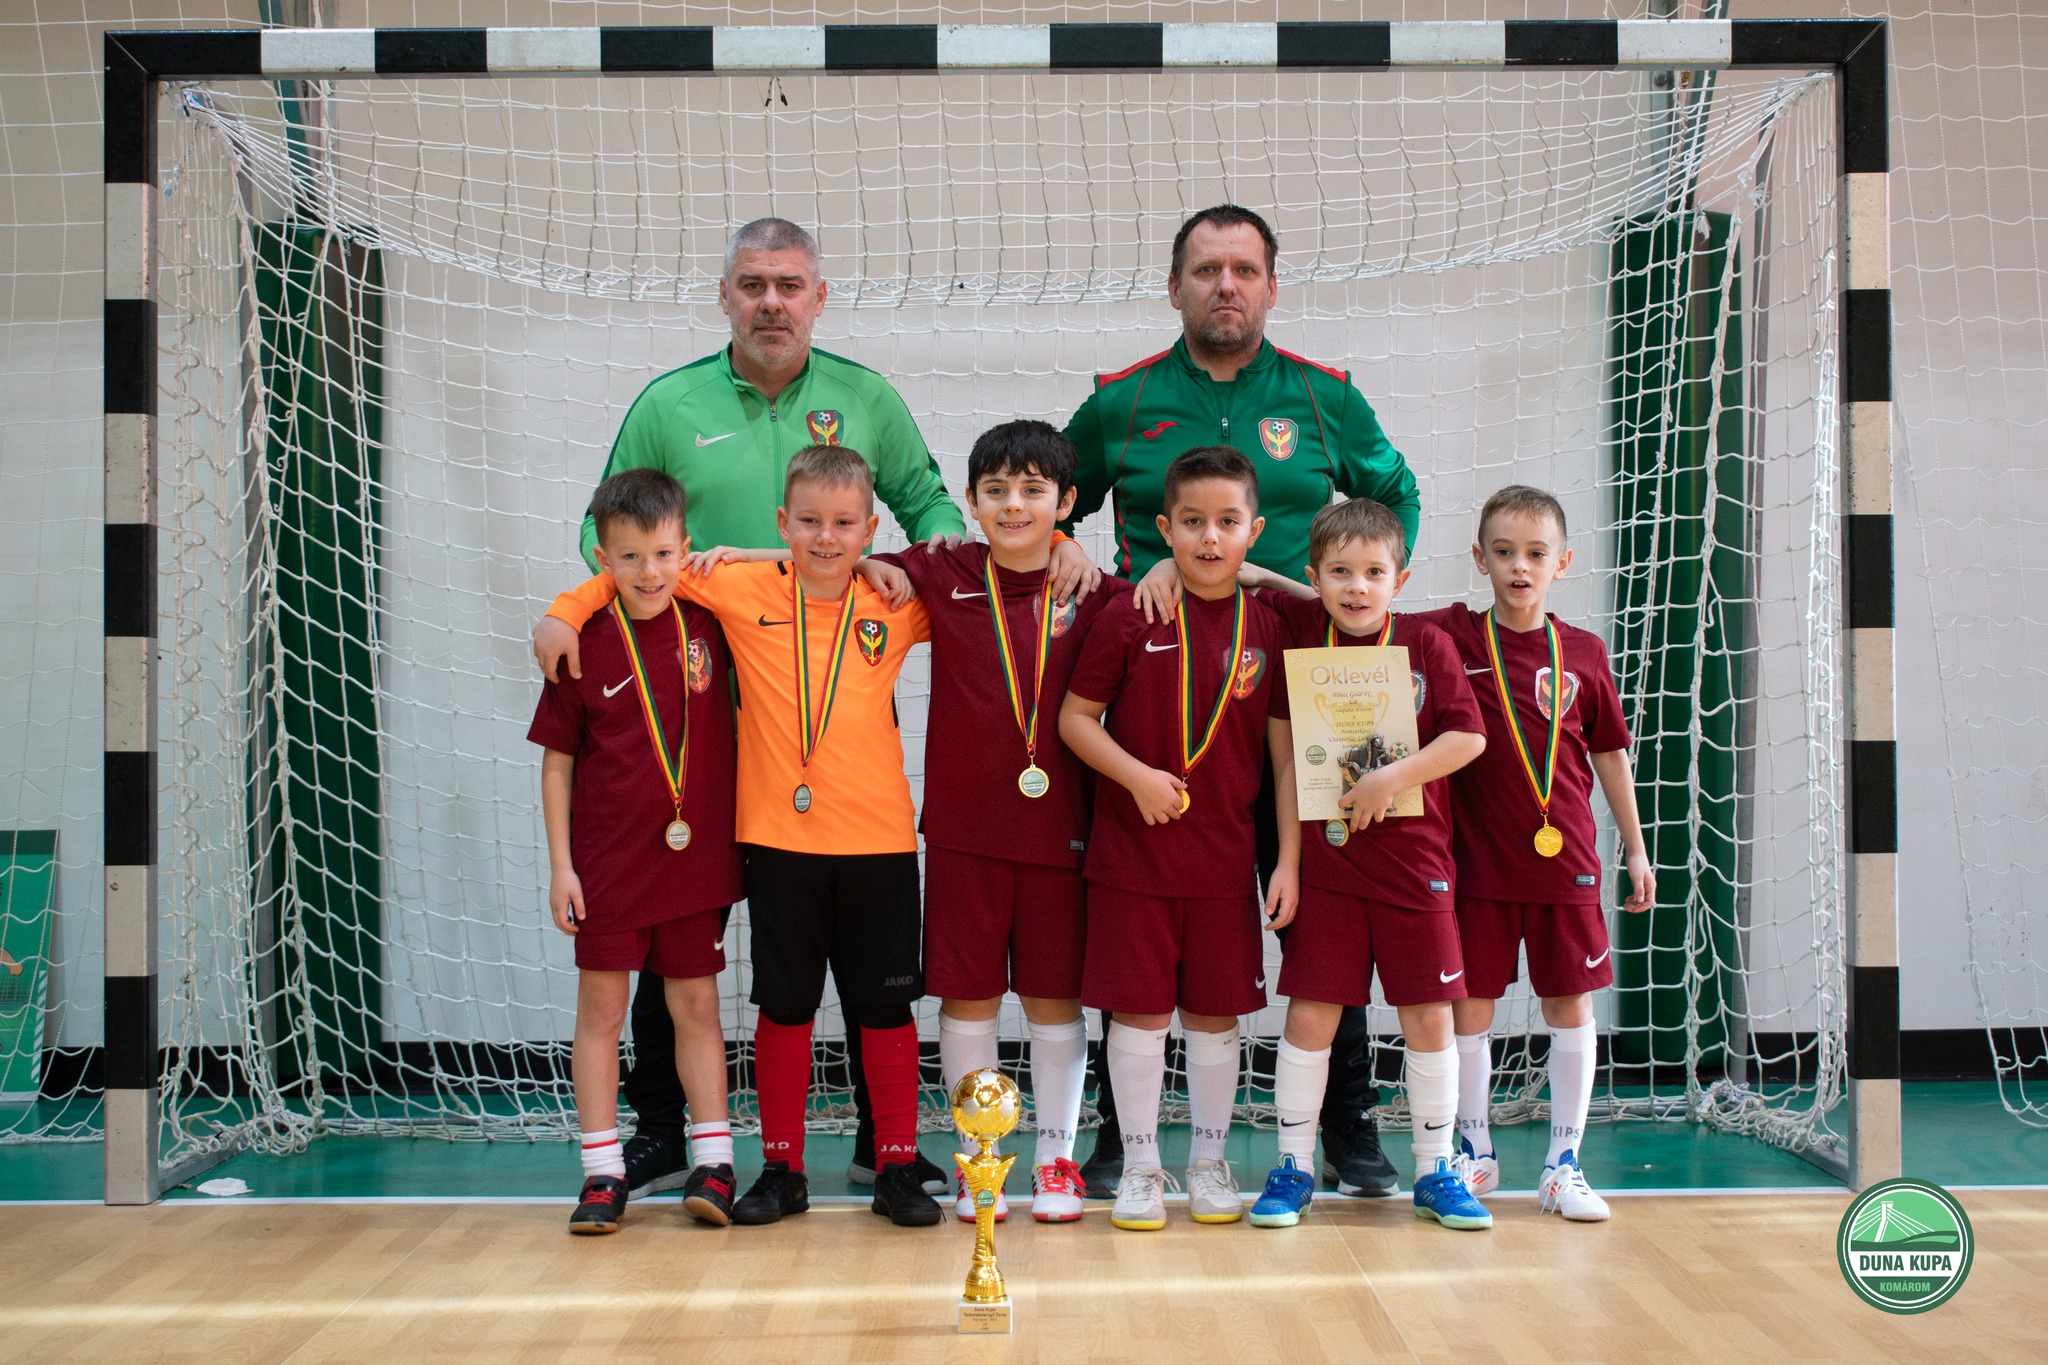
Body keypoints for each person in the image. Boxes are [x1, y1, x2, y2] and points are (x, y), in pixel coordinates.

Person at [537, 218, 1096, 1198]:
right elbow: (614, 539)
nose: (770, 300)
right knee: (678, 907)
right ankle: (682, 1135)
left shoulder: (865, 402)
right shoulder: (668, 403)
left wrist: (1013, 555)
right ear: (725, 294)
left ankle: (884, 1149)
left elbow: (932, 501)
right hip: (704, 694)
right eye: (751, 283)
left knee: (864, 990)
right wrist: (566, 607)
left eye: (788, 283)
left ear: (817, 295)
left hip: (851, 769)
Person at [1064, 204, 1420, 1200]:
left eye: (1244, 270)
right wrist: (1072, 554)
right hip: (1166, 696)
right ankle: (1116, 1138)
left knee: (1334, 907)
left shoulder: (1323, 399)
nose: (1226, 285)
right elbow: (1053, 493)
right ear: (1173, 285)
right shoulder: (1121, 402)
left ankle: (1344, 1126)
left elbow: (1399, 496)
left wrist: (1350, 588)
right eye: (1206, 269)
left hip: (1320, 683)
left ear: (1271, 284)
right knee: (1138, 910)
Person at [543, 445, 944, 1228]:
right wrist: (565, 607)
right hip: (778, 843)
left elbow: (983, 581)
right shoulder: (738, 585)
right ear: (781, 522)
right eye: (808, 523)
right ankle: (782, 1166)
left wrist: (1060, 550)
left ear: (870, 528)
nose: (826, 539)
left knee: (886, 1012)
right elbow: (641, 567)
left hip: (882, 844)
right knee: (784, 1008)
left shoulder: (893, 601)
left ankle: (895, 1163)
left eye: (844, 525)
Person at [867, 421, 1127, 1224]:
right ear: (971, 501)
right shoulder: (940, 570)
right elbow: (833, 562)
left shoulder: (1099, 593)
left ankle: (1053, 1157)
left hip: (1062, 835)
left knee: (1054, 1001)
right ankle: (981, 1157)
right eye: (996, 490)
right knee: (969, 1000)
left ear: (1067, 502)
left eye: (1033, 490)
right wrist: (874, 562)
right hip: (962, 833)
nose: (1014, 505)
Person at [1223, 498, 1493, 1232]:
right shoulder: (1301, 640)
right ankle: (1294, 1166)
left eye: (1373, 572)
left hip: (1416, 869)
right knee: (1311, 1012)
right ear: (1316, 577)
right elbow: (1283, 760)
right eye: (1339, 572)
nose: (1356, 586)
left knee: (1428, 1015)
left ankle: (1439, 1169)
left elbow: (1468, 740)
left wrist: (1389, 778)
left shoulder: (1429, 646)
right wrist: (1286, 860)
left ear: (1398, 579)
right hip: (1330, 870)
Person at [1058, 446, 1298, 1231]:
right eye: (1191, 522)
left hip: (1225, 862)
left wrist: (1288, 857)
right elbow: (1074, 720)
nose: (1208, 538)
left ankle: (1206, 1159)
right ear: (1165, 527)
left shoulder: (1268, 622)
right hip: (1132, 860)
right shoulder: (1132, 612)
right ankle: (1138, 1166)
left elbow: (1285, 755)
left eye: (1228, 523)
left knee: (1215, 1020)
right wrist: (1137, 777)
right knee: (1139, 1019)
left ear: (1253, 531)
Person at [1409, 485, 1656, 1223]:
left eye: (1536, 554)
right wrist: (1259, 579)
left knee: (1568, 1002)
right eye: (1506, 552)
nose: (1521, 567)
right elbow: (1357, 606)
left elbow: (1611, 754)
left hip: (1566, 859)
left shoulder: (1583, 651)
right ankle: (1475, 1150)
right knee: (1470, 1008)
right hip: (1477, 862)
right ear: (1479, 559)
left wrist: (1637, 851)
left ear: (1563, 562)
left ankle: (1563, 1162)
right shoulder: (1449, 636)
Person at [526, 470, 743, 1234]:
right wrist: (561, 865)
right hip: (608, 867)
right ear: (601, 559)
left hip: (695, 862)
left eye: (662, 552)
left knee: (696, 1006)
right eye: (629, 557)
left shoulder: (714, 621)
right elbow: (557, 762)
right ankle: (601, 1170)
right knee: (603, 1009)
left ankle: (714, 1160)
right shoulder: (581, 641)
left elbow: (788, 575)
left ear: (686, 549)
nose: (649, 572)